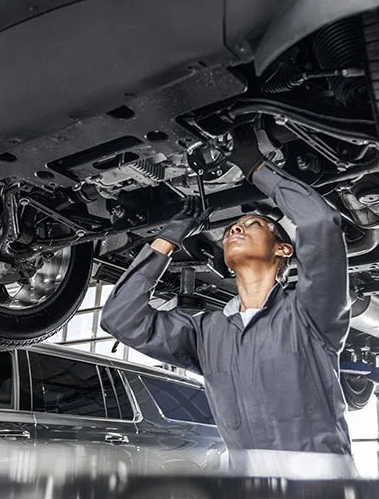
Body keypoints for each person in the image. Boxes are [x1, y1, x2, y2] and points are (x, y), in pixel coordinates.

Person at [100, 128, 353, 478]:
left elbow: (320, 223)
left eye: (255, 224)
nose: (237, 228)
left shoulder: (309, 314)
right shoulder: (207, 332)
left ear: (283, 249)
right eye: (233, 227)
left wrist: (255, 167)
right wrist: (170, 235)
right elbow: (119, 319)